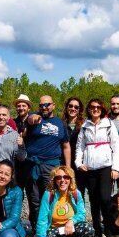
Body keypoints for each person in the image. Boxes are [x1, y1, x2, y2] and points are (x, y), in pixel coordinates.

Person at [74, 98, 119, 237]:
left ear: (102, 109)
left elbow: (117, 147)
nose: (95, 109)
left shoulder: (109, 124)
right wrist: (78, 163)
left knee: (105, 199)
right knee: (93, 201)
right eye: (92, 107)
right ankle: (97, 231)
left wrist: (115, 168)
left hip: (106, 167)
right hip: (90, 168)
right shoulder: (84, 126)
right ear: (88, 109)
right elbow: (79, 147)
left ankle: (109, 230)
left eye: (98, 107)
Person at [21, 95, 71, 229]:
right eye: (42, 105)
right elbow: (30, 120)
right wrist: (32, 118)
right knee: (34, 199)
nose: (44, 107)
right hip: (33, 165)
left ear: (53, 105)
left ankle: (51, 227)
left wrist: (68, 168)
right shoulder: (34, 118)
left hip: (52, 166)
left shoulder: (60, 123)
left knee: (50, 197)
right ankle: (37, 228)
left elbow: (66, 146)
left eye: (47, 104)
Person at [36, 166, 89, 237]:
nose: (62, 180)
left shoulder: (75, 193)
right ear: (54, 180)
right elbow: (42, 221)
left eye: (66, 177)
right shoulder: (49, 195)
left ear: (70, 179)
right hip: (54, 231)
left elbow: (82, 213)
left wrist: (71, 221)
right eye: (58, 177)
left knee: (88, 229)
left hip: (69, 229)